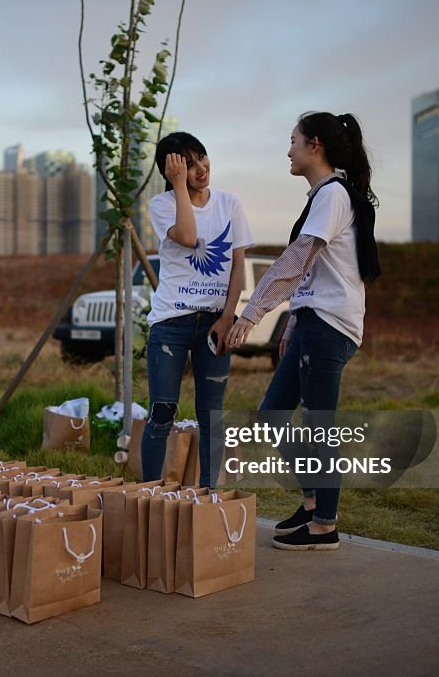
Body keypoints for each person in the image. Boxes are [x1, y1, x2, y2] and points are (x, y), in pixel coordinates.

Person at [226, 112, 381, 550]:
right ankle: (313, 502)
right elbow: (312, 274)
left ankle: (324, 527)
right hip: (313, 323)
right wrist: (291, 323)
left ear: (315, 145)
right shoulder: (323, 196)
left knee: (318, 427)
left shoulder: (333, 194)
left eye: (292, 140)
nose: (288, 149)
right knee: (271, 416)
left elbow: (296, 261)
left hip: (330, 327)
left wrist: (251, 313)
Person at [141, 132, 255, 488]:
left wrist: (227, 317)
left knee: (212, 417)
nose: (200, 168)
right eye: (187, 164)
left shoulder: (230, 203)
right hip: (170, 323)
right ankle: (150, 496)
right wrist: (178, 186)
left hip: (214, 323)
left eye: (202, 157)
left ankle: (208, 497)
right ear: (172, 169)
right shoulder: (161, 205)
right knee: (162, 413)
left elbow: (238, 264)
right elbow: (189, 237)